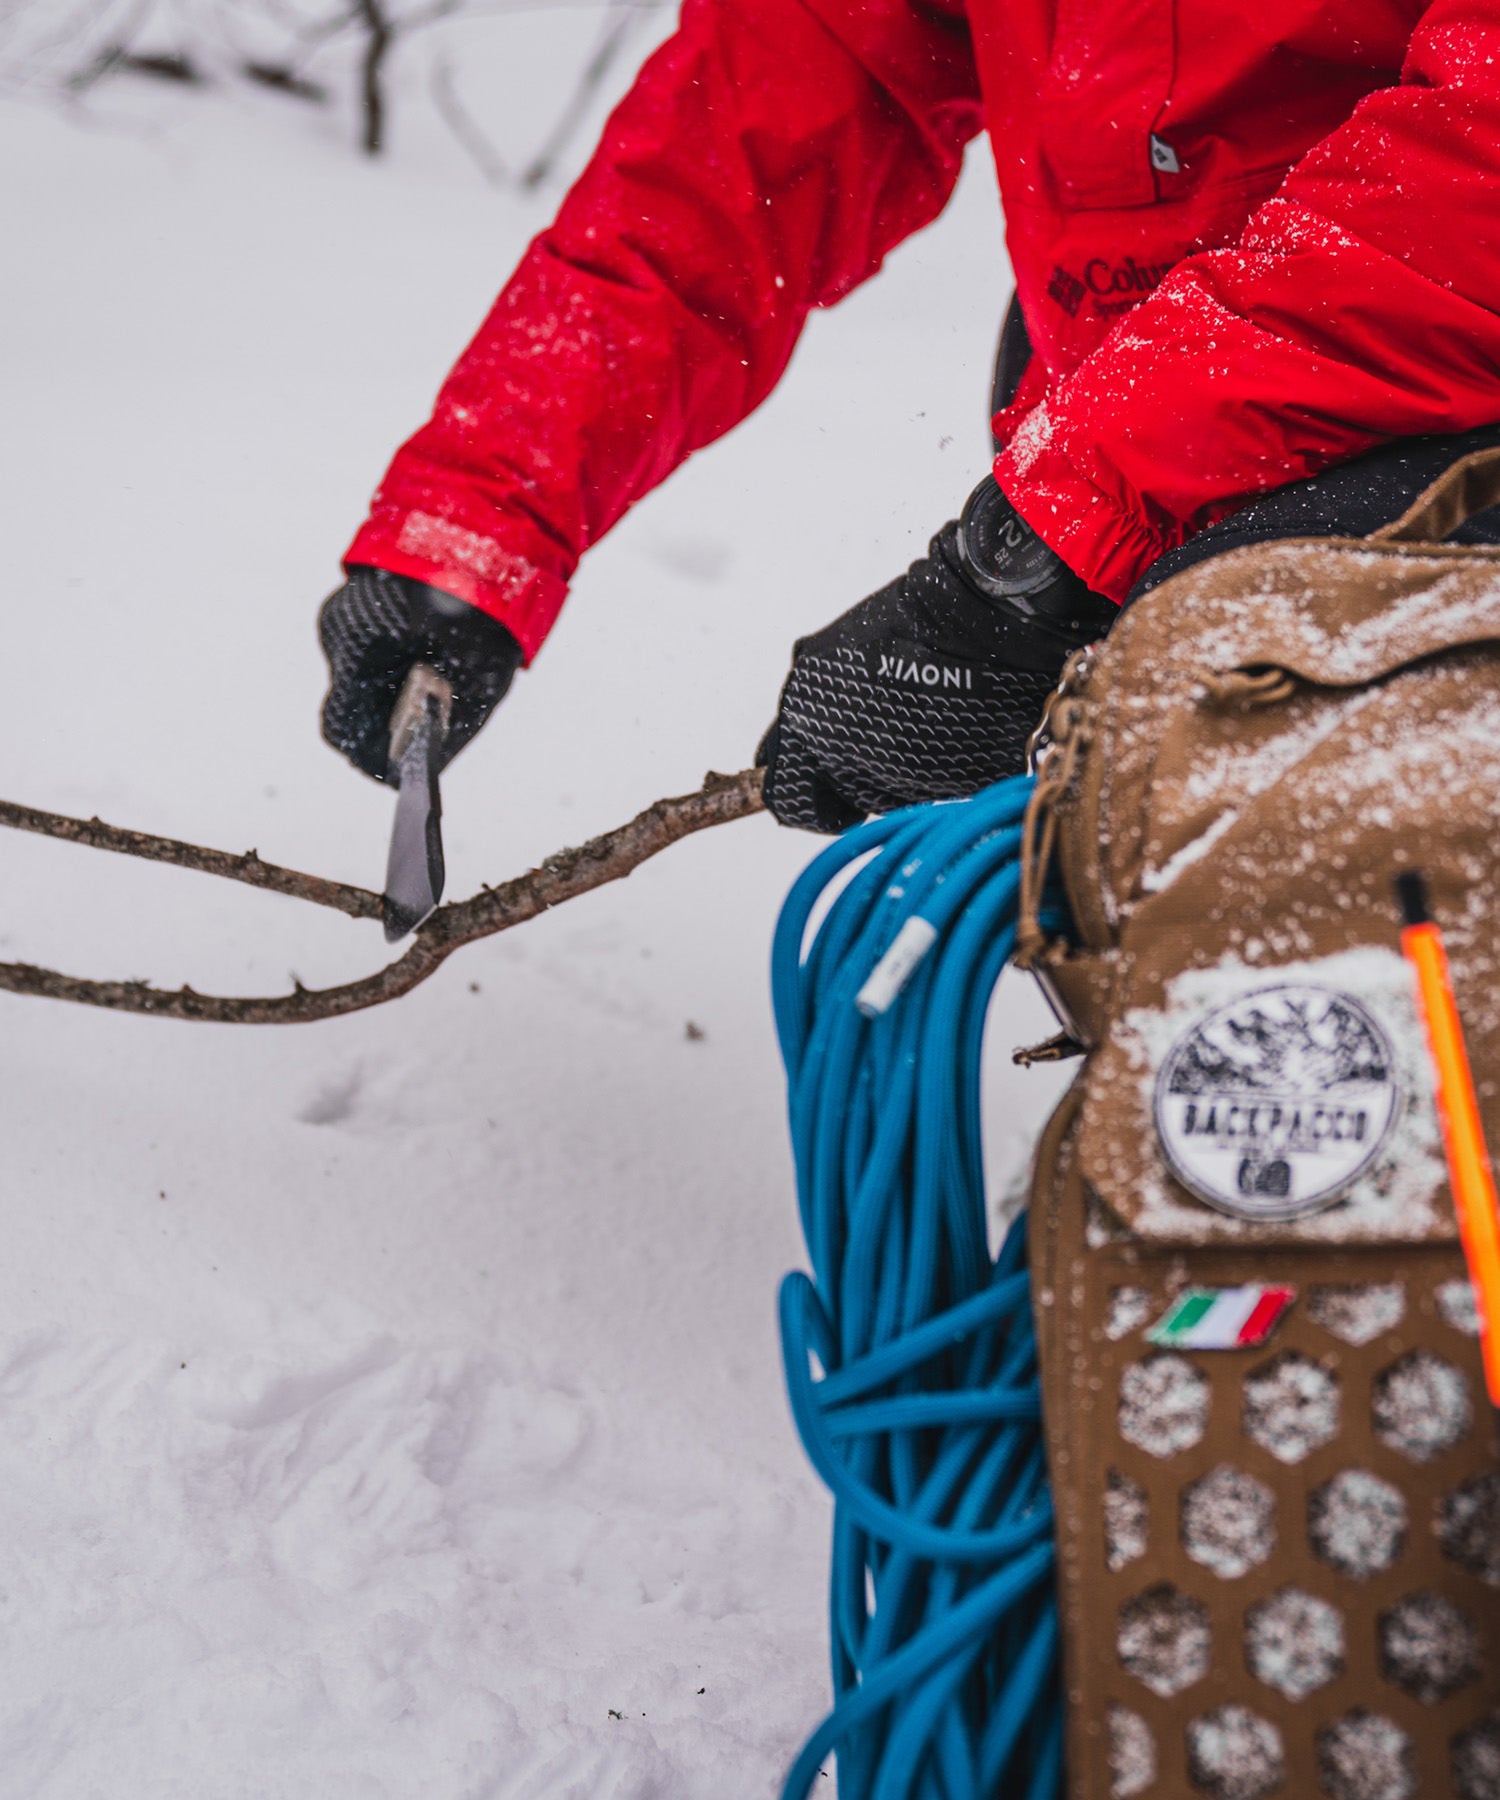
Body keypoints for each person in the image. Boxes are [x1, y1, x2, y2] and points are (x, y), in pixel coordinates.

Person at [318, 0, 1500, 833]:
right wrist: (482, 522)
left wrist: (1034, 561)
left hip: (1434, 468)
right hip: (1133, 444)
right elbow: (750, 135)